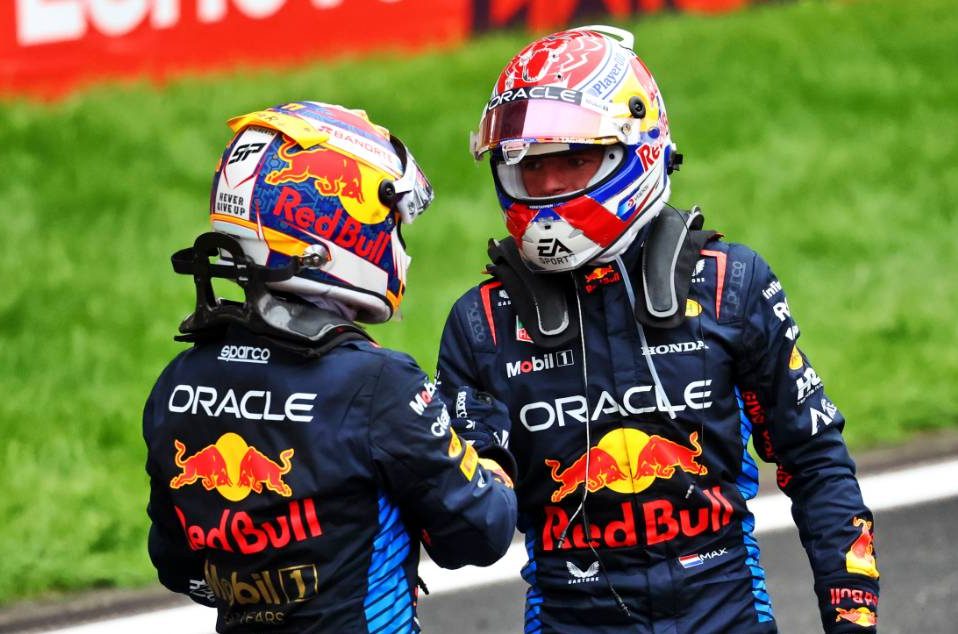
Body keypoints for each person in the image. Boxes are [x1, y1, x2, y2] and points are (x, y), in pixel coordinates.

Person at [437, 25, 879, 633]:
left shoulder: (730, 285)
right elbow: (467, 535)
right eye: (531, 167)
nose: (548, 187)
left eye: (573, 161)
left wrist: (852, 616)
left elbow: (816, 460)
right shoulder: (482, 324)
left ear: (637, 151)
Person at [143, 101, 518, 633]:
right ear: (334, 224)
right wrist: (487, 448)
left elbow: (178, 565)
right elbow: (479, 534)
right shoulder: (378, 384)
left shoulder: (180, 379)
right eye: (392, 224)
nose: (396, 243)